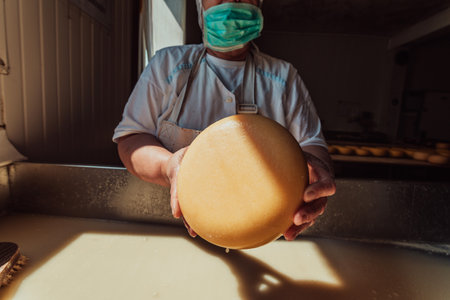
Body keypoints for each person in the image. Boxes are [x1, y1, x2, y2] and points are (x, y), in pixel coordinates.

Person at [113, 0, 336, 241]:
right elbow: (131, 140)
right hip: (167, 232)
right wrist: (168, 167)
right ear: (200, 4)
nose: (231, 1)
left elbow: (312, 146)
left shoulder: (283, 78)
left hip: (264, 233)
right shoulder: (166, 66)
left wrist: (315, 176)